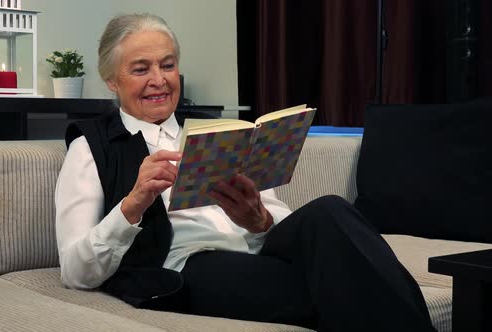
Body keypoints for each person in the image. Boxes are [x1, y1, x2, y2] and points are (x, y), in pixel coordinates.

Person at [55, 13, 435, 331]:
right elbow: (74, 271)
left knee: (331, 210)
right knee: (343, 285)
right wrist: (132, 205)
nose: (159, 79)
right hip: (192, 265)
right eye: (141, 69)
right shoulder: (92, 146)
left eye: (168, 65)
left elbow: (271, 218)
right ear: (111, 79)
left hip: (259, 249)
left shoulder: (212, 130)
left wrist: (260, 219)